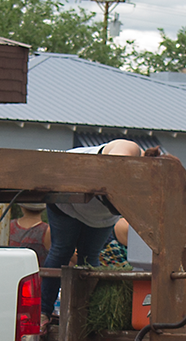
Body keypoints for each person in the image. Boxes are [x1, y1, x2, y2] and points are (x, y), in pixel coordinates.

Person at [41, 138, 145, 324]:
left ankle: (85, 315)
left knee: (89, 259)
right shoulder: (129, 149)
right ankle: (43, 313)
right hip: (67, 196)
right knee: (61, 252)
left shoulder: (146, 188)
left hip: (99, 215)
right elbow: (111, 165)